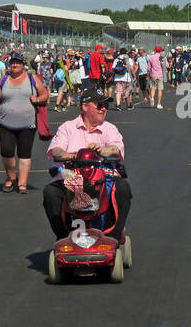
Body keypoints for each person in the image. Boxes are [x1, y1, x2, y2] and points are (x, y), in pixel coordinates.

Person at [43, 86, 130, 240]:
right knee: (51, 193)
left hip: (103, 177)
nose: (104, 109)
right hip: (70, 177)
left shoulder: (110, 129)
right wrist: (69, 155)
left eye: (106, 106)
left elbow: (116, 149)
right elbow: (55, 151)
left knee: (122, 189)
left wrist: (102, 150)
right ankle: (64, 236)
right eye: (99, 105)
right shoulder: (67, 128)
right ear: (85, 106)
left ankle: (113, 236)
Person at [0, 51, 48, 194]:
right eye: (12, 62)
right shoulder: (4, 79)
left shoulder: (32, 78)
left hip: (27, 125)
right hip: (6, 124)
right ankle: (11, 177)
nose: (14, 65)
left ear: (23, 65)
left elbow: (44, 94)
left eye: (18, 62)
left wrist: (38, 99)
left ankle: (22, 183)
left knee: (24, 154)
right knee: (6, 152)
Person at [147, 45, 165, 110]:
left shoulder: (151, 57)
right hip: (160, 74)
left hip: (153, 74)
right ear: (160, 51)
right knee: (160, 89)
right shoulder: (162, 57)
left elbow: (149, 67)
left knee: (153, 88)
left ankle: (152, 98)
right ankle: (159, 104)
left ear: (155, 50)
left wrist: (148, 74)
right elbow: (167, 65)